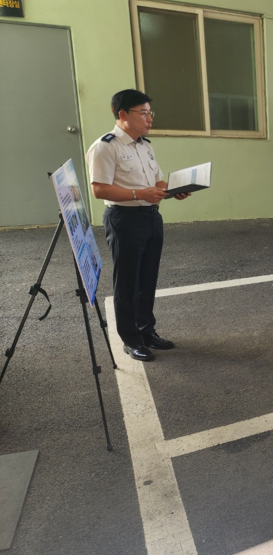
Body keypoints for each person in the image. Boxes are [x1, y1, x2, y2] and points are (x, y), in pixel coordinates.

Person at [87, 89, 190, 362]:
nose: (149, 118)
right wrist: (138, 194)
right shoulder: (105, 146)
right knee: (128, 282)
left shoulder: (145, 145)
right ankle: (131, 339)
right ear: (123, 114)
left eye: (149, 113)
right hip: (124, 219)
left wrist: (173, 190)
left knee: (147, 278)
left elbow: (157, 181)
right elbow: (99, 189)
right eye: (143, 113)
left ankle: (146, 330)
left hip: (151, 217)